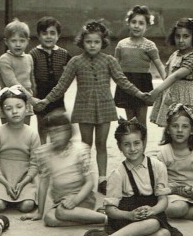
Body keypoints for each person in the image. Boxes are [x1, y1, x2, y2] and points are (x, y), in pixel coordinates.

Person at [33, 20, 152, 191]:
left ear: (102, 42)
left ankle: (102, 179)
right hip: (84, 108)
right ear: (82, 42)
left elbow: (123, 82)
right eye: (88, 42)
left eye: (96, 42)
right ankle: (84, 177)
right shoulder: (75, 62)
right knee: (86, 144)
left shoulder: (109, 60)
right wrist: (46, 100)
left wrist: (140, 94)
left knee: (101, 144)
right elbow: (62, 85)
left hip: (105, 108)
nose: (92, 45)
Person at [84, 119, 180, 236]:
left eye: (137, 143)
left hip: (151, 215)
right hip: (125, 219)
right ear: (119, 146)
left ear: (144, 142)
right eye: (126, 145)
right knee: (154, 224)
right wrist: (129, 215)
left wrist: (153, 210)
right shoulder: (117, 174)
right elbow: (110, 210)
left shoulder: (158, 167)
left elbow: (163, 201)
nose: (133, 149)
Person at [22, 111, 105, 227]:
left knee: (61, 212)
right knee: (49, 219)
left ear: (69, 131)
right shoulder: (45, 153)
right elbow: (44, 182)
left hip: (82, 197)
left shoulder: (80, 150)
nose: (55, 136)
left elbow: (90, 183)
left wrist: (74, 200)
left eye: (59, 131)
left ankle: (107, 219)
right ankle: (90, 218)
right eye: (51, 132)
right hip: (61, 201)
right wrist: (40, 212)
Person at [0, 87, 41, 213]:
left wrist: (23, 182)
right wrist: (4, 182)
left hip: (24, 177)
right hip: (2, 177)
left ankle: (14, 196)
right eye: (8, 109)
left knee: (27, 206)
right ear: (2, 111)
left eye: (19, 107)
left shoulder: (32, 134)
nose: (14, 112)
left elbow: (35, 164)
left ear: (27, 108)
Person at [156, 103, 193, 221]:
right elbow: (160, 184)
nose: (180, 130)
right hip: (173, 194)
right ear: (168, 130)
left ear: (192, 130)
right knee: (179, 207)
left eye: (185, 126)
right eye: (175, 126)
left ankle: (174, 213)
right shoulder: (164, 152)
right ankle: (178, 211)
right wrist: (175, 190)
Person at [113, 5, 167, 126]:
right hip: (126, 82)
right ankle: (133, 142)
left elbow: (159, 64)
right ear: (128, 23)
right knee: (130, 120)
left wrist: (167, 81)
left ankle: (142, 145)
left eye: (141, 23)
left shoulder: (150, 45)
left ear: (147, 26)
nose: (137, 26)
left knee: (141, 122)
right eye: (134, 22)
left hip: (142, 82)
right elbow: (114, 66)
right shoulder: (121, 44)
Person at [150, 17, 193, 128]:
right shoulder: (175, 54)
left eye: (186, 36)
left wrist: (155, 91)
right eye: (178, 36)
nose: (181, 40)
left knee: (188, 128)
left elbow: (176, 76)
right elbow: (168, 76)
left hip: (188, 99)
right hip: (173, 98)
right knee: (172, 129)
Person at [29, 16, 72, 143]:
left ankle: (57, 148)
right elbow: (29, 73)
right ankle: (43, 147)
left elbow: (74, 68)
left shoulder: (63, 53)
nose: (48, 36)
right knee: (42, 126)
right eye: (44, 33)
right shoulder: (33, 53)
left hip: (57, 95)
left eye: (52, 33)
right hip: (40, 94)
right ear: (38, 36)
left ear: (58, 35)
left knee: (58, 125)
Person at [0, 18, 35, 124]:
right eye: (14, 41)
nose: (18, 44)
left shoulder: (29, 58)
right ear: (6, 42)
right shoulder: (4, 59)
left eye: (22, 40)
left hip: (26, 102)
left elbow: (32, 81)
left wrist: (35, 98)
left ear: (28, 41)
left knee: (25, 132)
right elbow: (13, 85)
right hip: (10, 101)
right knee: (9, 133)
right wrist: (31, 98)